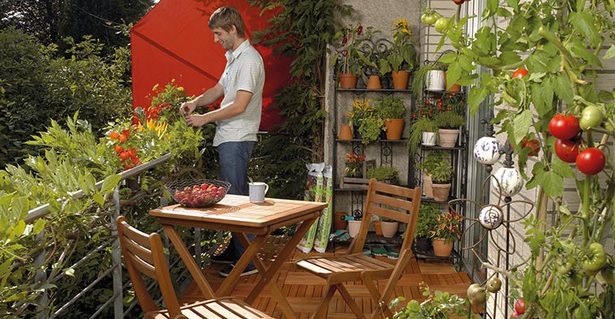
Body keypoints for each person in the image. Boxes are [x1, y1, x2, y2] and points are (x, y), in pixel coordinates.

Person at [180, 6, 264, 278]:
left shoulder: (250, 60)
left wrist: (204, 119)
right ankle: (236, 247)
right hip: (228, 137)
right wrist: (195, 102)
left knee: (237, 199)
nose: (215, 40)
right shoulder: (234, 59)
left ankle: (248, 262)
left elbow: (239, 105)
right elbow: (219, 89)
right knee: (232, 195)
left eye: (218, 34)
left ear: (232, 29)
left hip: (237, 137)